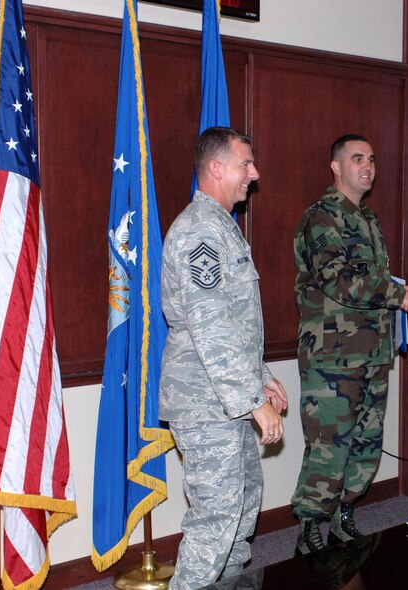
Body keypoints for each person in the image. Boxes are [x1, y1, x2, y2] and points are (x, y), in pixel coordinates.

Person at [159, 126, 289, 590]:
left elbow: (235, 325)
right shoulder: (200, 231)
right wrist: (252, 401)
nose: (253, 174)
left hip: (228, 396)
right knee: (215, 521)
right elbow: (210, 326)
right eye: (245, 164)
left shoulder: (221, 227)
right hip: (205, 401)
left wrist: (262, 380)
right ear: (216, 168)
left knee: (239, 515)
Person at [292, 134, 408, 553]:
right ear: (335, 166)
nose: (366, 166)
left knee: (365, 442)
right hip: (332, 358)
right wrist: (401, 295)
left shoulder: (368, 219)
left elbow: (374, 280)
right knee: (329, 445)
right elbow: (340, 282)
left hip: (372, 353)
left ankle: (345, 513)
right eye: (356, 159)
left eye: (371, 159)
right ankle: (311, 526)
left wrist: (401, 289)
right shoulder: (322, 218)